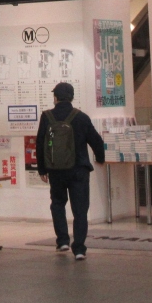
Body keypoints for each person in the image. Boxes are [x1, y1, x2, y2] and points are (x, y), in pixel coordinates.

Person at [35, 82, 105, 261]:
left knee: (58, 204)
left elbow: (40, 143)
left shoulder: (47, 117)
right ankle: (79, 249)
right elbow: (96, 140)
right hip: (79, 170)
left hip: (56, 170)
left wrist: (42, 169)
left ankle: (62, 241)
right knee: (80, 209)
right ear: (72, 97)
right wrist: (100, 158)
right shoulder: (81, 117)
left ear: (55, 98)